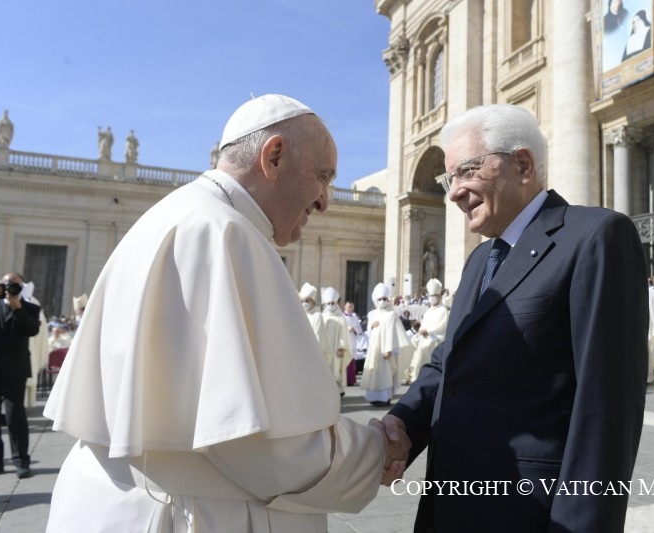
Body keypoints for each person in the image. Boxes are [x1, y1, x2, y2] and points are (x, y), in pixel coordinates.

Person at [43, 94, 410, 531]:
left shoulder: (174, 215)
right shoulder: (225, 234)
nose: (325, 200)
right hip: (190, 514)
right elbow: (263, 445)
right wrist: (376, 451)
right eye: (322, 176)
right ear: (273, 155)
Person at [381, 104, 648, 531]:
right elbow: (449, 363)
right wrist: (399, 425)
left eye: (466, 171)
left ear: (522, 164)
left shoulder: (595, 237)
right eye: (448, 179)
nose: (452, 193)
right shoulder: (478, 261)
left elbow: (606, 408)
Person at [0, 273, 41, 478]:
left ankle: (21, 460)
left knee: (15, 417)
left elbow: (32, 330)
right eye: (6, 284)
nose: (9, 288)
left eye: (14, 285)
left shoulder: (30, 308)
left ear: (22, 287)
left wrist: (18, 309)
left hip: (15, 369)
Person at [361, 283, 409, 407]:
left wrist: (391, 349)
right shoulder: (372, 314)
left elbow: (395, 332)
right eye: (380, 299)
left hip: (386, 349)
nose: (382, 301)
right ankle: (373, 397)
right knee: (373, 371)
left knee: (385, 373)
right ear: (375, 300)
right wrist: (371, 326)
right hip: (374, 349)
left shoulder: (391, 314)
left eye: (384, 299)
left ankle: (384, 398)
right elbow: (368, 331)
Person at [404, 278, 449, 385]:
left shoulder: (443, 310)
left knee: (426, 350)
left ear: (439, 296)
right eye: (430, 296)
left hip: (435, 340)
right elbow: (424, 325)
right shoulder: (428, 310)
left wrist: (428, 331)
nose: (432, 298)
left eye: (434, 296)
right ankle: (416, 377)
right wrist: (421, 332)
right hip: (424, 339)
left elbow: (442, 326)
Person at [321, 287, 352, 396]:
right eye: (328, 303)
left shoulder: (341, 317)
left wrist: (342, 347)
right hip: (325, 348)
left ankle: (337, 390)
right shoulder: (322, 317)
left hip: (336, 349)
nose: (331, 305)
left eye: (333, 303)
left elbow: (344, 333)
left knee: (336, 369)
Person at [300, 282, 330, 365]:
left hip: (312, 351)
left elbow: (318, 336)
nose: (304, 303)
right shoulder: (302, 315)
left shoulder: (317, 316)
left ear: (313, 302)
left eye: (307, 301)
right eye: (302, 301)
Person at [343, 300, 363, 386]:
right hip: (344, 341)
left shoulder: (355, 317)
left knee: (352, 359)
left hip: (353, 341)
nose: (350, 308)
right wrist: (347, 328)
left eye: (351, 307)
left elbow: (360, 329)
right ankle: (344, 379)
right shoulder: (341, 316)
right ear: (345, 307)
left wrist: (355, 329)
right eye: (348, 306)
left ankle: (351, 379)